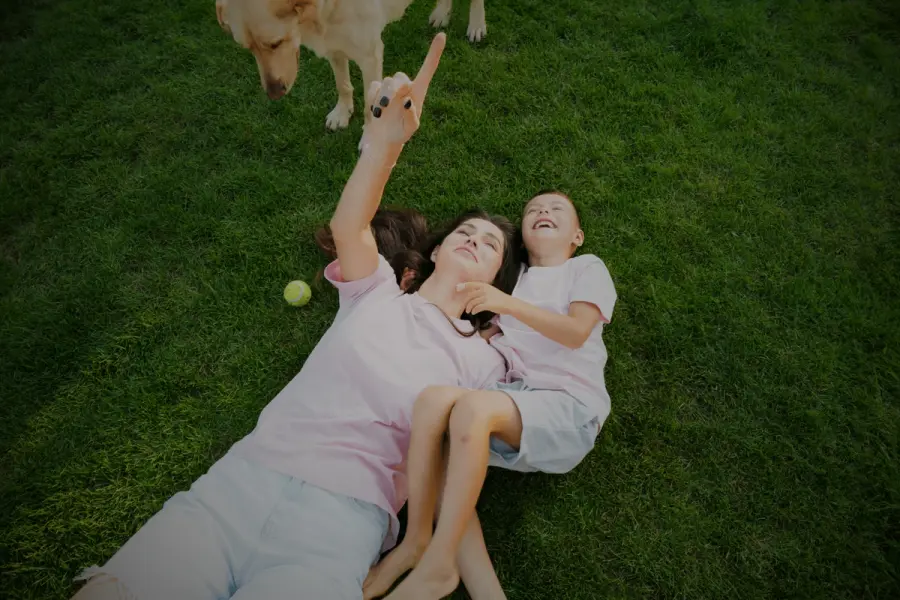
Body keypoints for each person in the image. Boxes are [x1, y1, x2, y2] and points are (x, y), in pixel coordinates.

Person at [71, 33, 519, 600]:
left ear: (495, 282)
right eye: (466, 231)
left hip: (340, 523)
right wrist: (384, 147)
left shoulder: (484, 358)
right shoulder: (377, 290)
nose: (475, 240)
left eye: (490, 245)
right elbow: (349, 228)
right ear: (434, 251)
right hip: (241, 484)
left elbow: (466, 454)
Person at [363, 191, 617, 600]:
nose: (542, 212)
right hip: (516, 400)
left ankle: (435, 558)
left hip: (569, 406)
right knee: (432, 406)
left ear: (578, 236)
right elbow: (480, 332)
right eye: (533, 208)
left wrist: (507, 305)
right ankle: (448, 568)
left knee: (472, 408)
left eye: (556, 210)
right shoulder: (514, 283)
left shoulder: (584, 268)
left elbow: (575, 333)